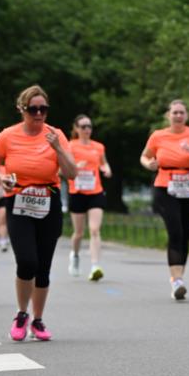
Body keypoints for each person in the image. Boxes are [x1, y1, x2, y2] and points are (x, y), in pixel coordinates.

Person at [0, 84, 77, 341]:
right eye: (33, 109)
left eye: (43, 109)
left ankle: (37, 320)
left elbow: (71, 173)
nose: (39, 114)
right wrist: (1, 178)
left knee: (44, 266)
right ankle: (21, 313)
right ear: (22, 109)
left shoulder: (56, 134)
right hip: (19, 201)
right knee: (27, 261)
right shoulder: (8, 136)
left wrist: (58, 148)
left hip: (48, 201)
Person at [140, 99, 189, 300]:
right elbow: (144, 157)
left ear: (186, 116)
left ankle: (178, 277)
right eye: (175, 113)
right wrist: (149, 164)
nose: (178, 116)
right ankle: (177, 280)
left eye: (181, 112)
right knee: (175, 231)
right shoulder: (158, 136)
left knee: (185, 232)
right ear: (168, 115)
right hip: (165, 187)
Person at [67, 115, 112, 281]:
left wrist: (107, 169)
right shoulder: (70, 146)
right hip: (77, 192)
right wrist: (74, 167)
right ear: (76, 128)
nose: (87, 130)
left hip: (95, 191)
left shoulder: (99, 147)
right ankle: (75, 255)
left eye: (89, 126)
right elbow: (63, 168)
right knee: (79, 232)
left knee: (94, 229)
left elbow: (103, 163)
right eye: (83, 126)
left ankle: (95, 266)